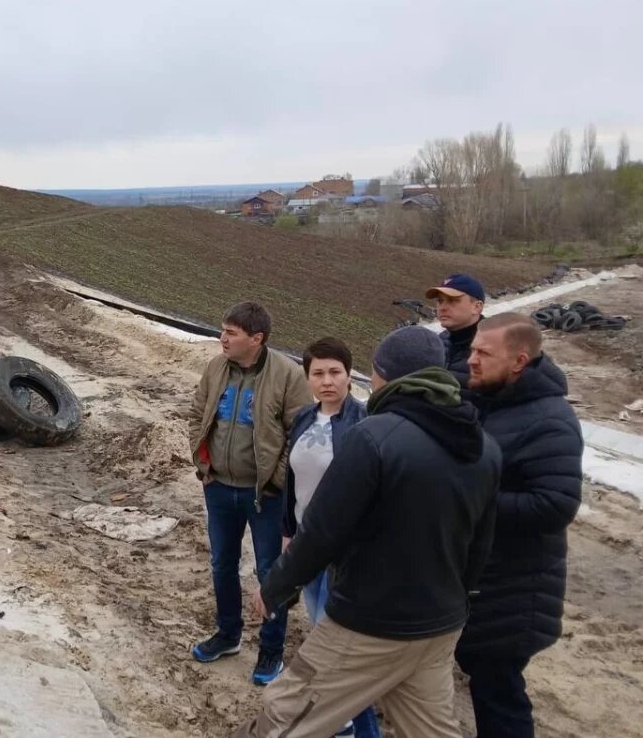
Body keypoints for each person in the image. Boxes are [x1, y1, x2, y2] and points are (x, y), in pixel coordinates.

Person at [236, 326, 501, 738]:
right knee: (431, 729)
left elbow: (323, 530)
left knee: (283, 713)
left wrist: (276, 587)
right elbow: (481, 543)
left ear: (382, 375)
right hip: (440, 625)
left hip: (369, 624)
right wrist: (455, 601)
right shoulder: (484, 446)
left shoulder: (372, 437)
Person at [456, 313, 582, 738]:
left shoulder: (550, 419)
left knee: (500, 696)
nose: (470, 360)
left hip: (515, 590)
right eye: (472, 349)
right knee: (486, 684)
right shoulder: (483, 401)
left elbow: (555, 504)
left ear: (518, 362)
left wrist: (472, 500)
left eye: (482, 353)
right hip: (483, 583)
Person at [188, 302, 313, 685]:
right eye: (222, 330)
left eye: (231, 332)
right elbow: (197, 414)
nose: (221, 338)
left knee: (270, 573)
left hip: (267, 496)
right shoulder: (216, 368)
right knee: (222, 564)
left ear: (256, 339)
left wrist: (275, 478)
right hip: (219, 487)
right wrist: (203, 462)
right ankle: (228, 635)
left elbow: (301, 431)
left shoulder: (288, 376)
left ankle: (271, 652)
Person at [281, 337, 380, 738]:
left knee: (332, 638)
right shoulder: (305, 418)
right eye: (318, 373)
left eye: (334, 372)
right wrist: (289, 531)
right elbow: (292, 479)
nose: (327, 381)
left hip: (345, 550)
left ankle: (345, 724)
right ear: (307, 378)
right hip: (308, 543)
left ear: (348, 374)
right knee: (320, 630)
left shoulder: (364, 422)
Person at [425, 273, 485, 387]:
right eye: (440, 301)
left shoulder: (493, 348)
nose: (443, 307)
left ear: (476, 307)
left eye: (452, 300)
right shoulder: (436, 343)